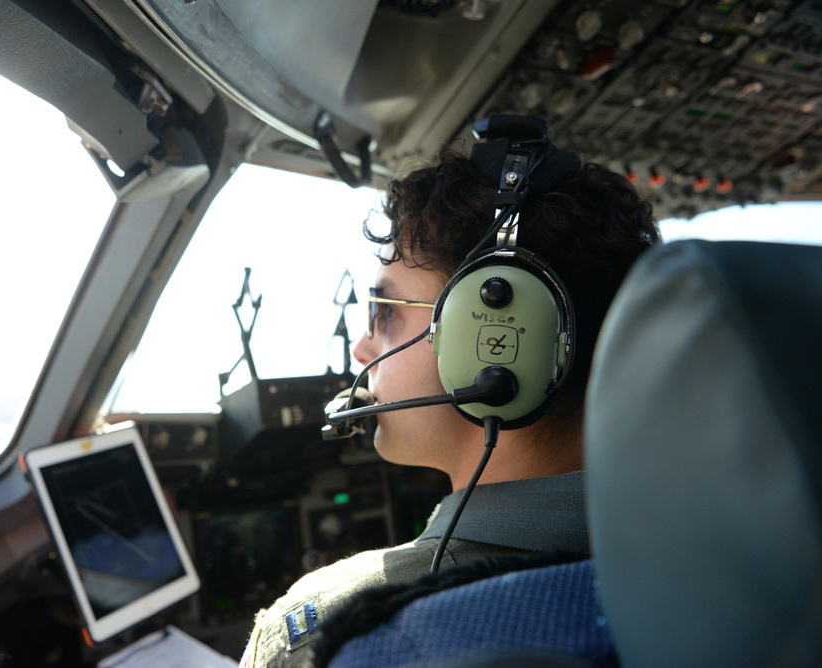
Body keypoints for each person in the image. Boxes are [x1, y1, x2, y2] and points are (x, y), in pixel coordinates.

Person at [239, 140, 660, 668]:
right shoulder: (719, 559)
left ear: (497, 333)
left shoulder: (328, 631)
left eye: (384, 312)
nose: (362, 347)